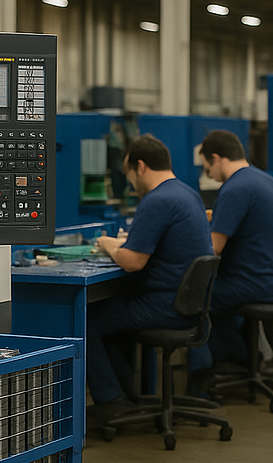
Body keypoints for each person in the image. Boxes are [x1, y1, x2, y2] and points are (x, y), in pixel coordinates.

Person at [86, 134, 213, 423]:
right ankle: (126, 395)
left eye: (129, 174)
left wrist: (108, 245)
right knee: (111, 321)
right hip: (187, 307)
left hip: (163, 307)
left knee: (84, 320)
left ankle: (111, 400)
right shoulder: (187, 194)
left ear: (140, 166)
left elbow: (133, 261)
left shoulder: (157, 200)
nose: (131, 183)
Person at [198, 130, 273, 368]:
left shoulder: (235, 188)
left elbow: (213, 249)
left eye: (207, 168)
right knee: (213, 295)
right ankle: (242, 358)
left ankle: (219, 368)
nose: (209, 174)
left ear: (216, 158)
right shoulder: (266, 180)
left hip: (255, 285)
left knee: (194, 297)